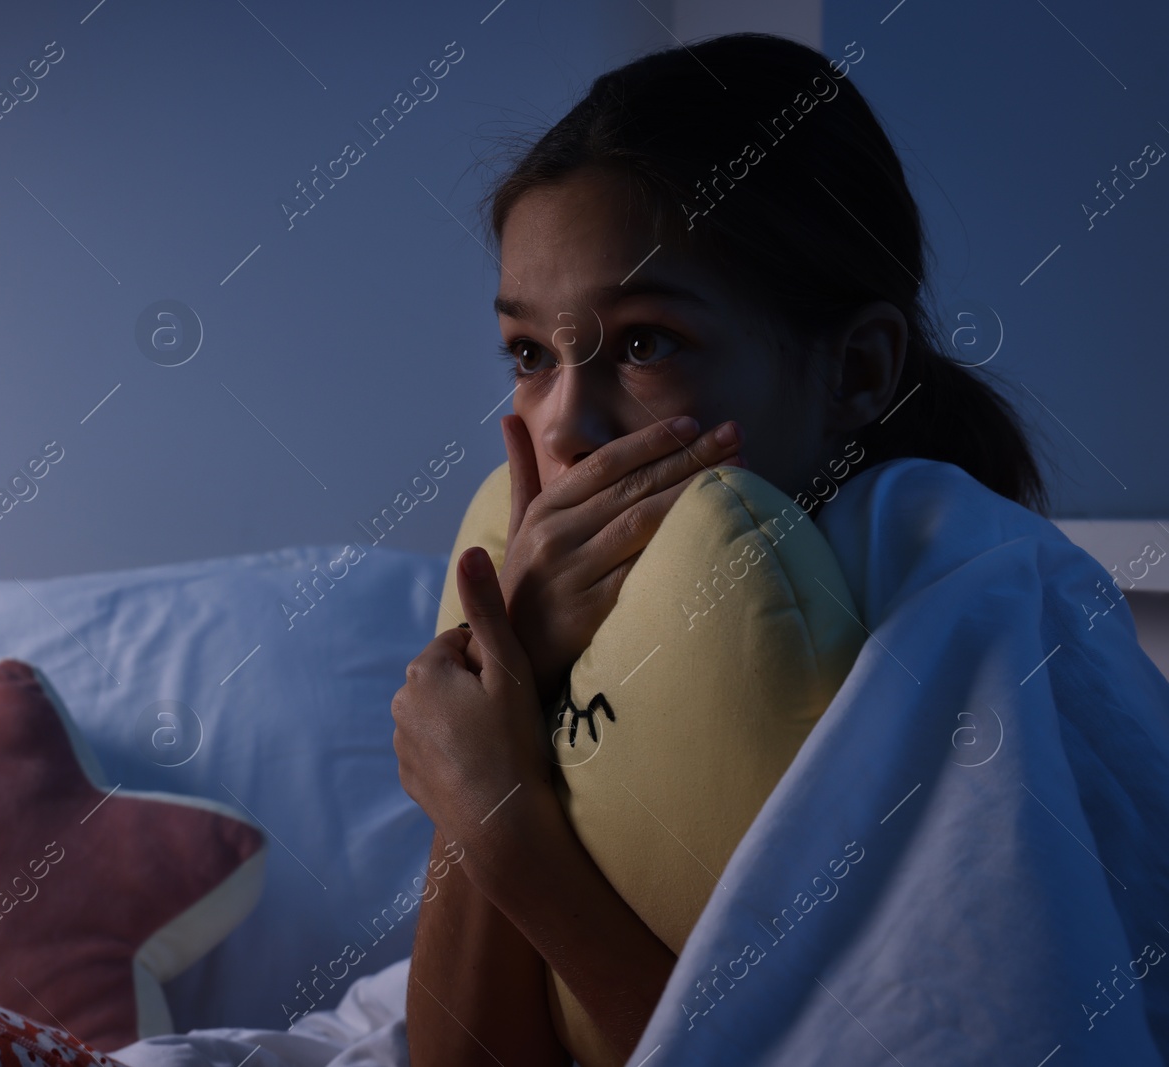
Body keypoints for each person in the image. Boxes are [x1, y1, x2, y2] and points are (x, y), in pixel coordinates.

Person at [388, 30, 1059, 1065]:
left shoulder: (970, 604)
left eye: (646, 342)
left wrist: (498, 818)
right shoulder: (557, 610)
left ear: (857, 371)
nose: (561, 427)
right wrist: (500, 702)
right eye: (528, 353)